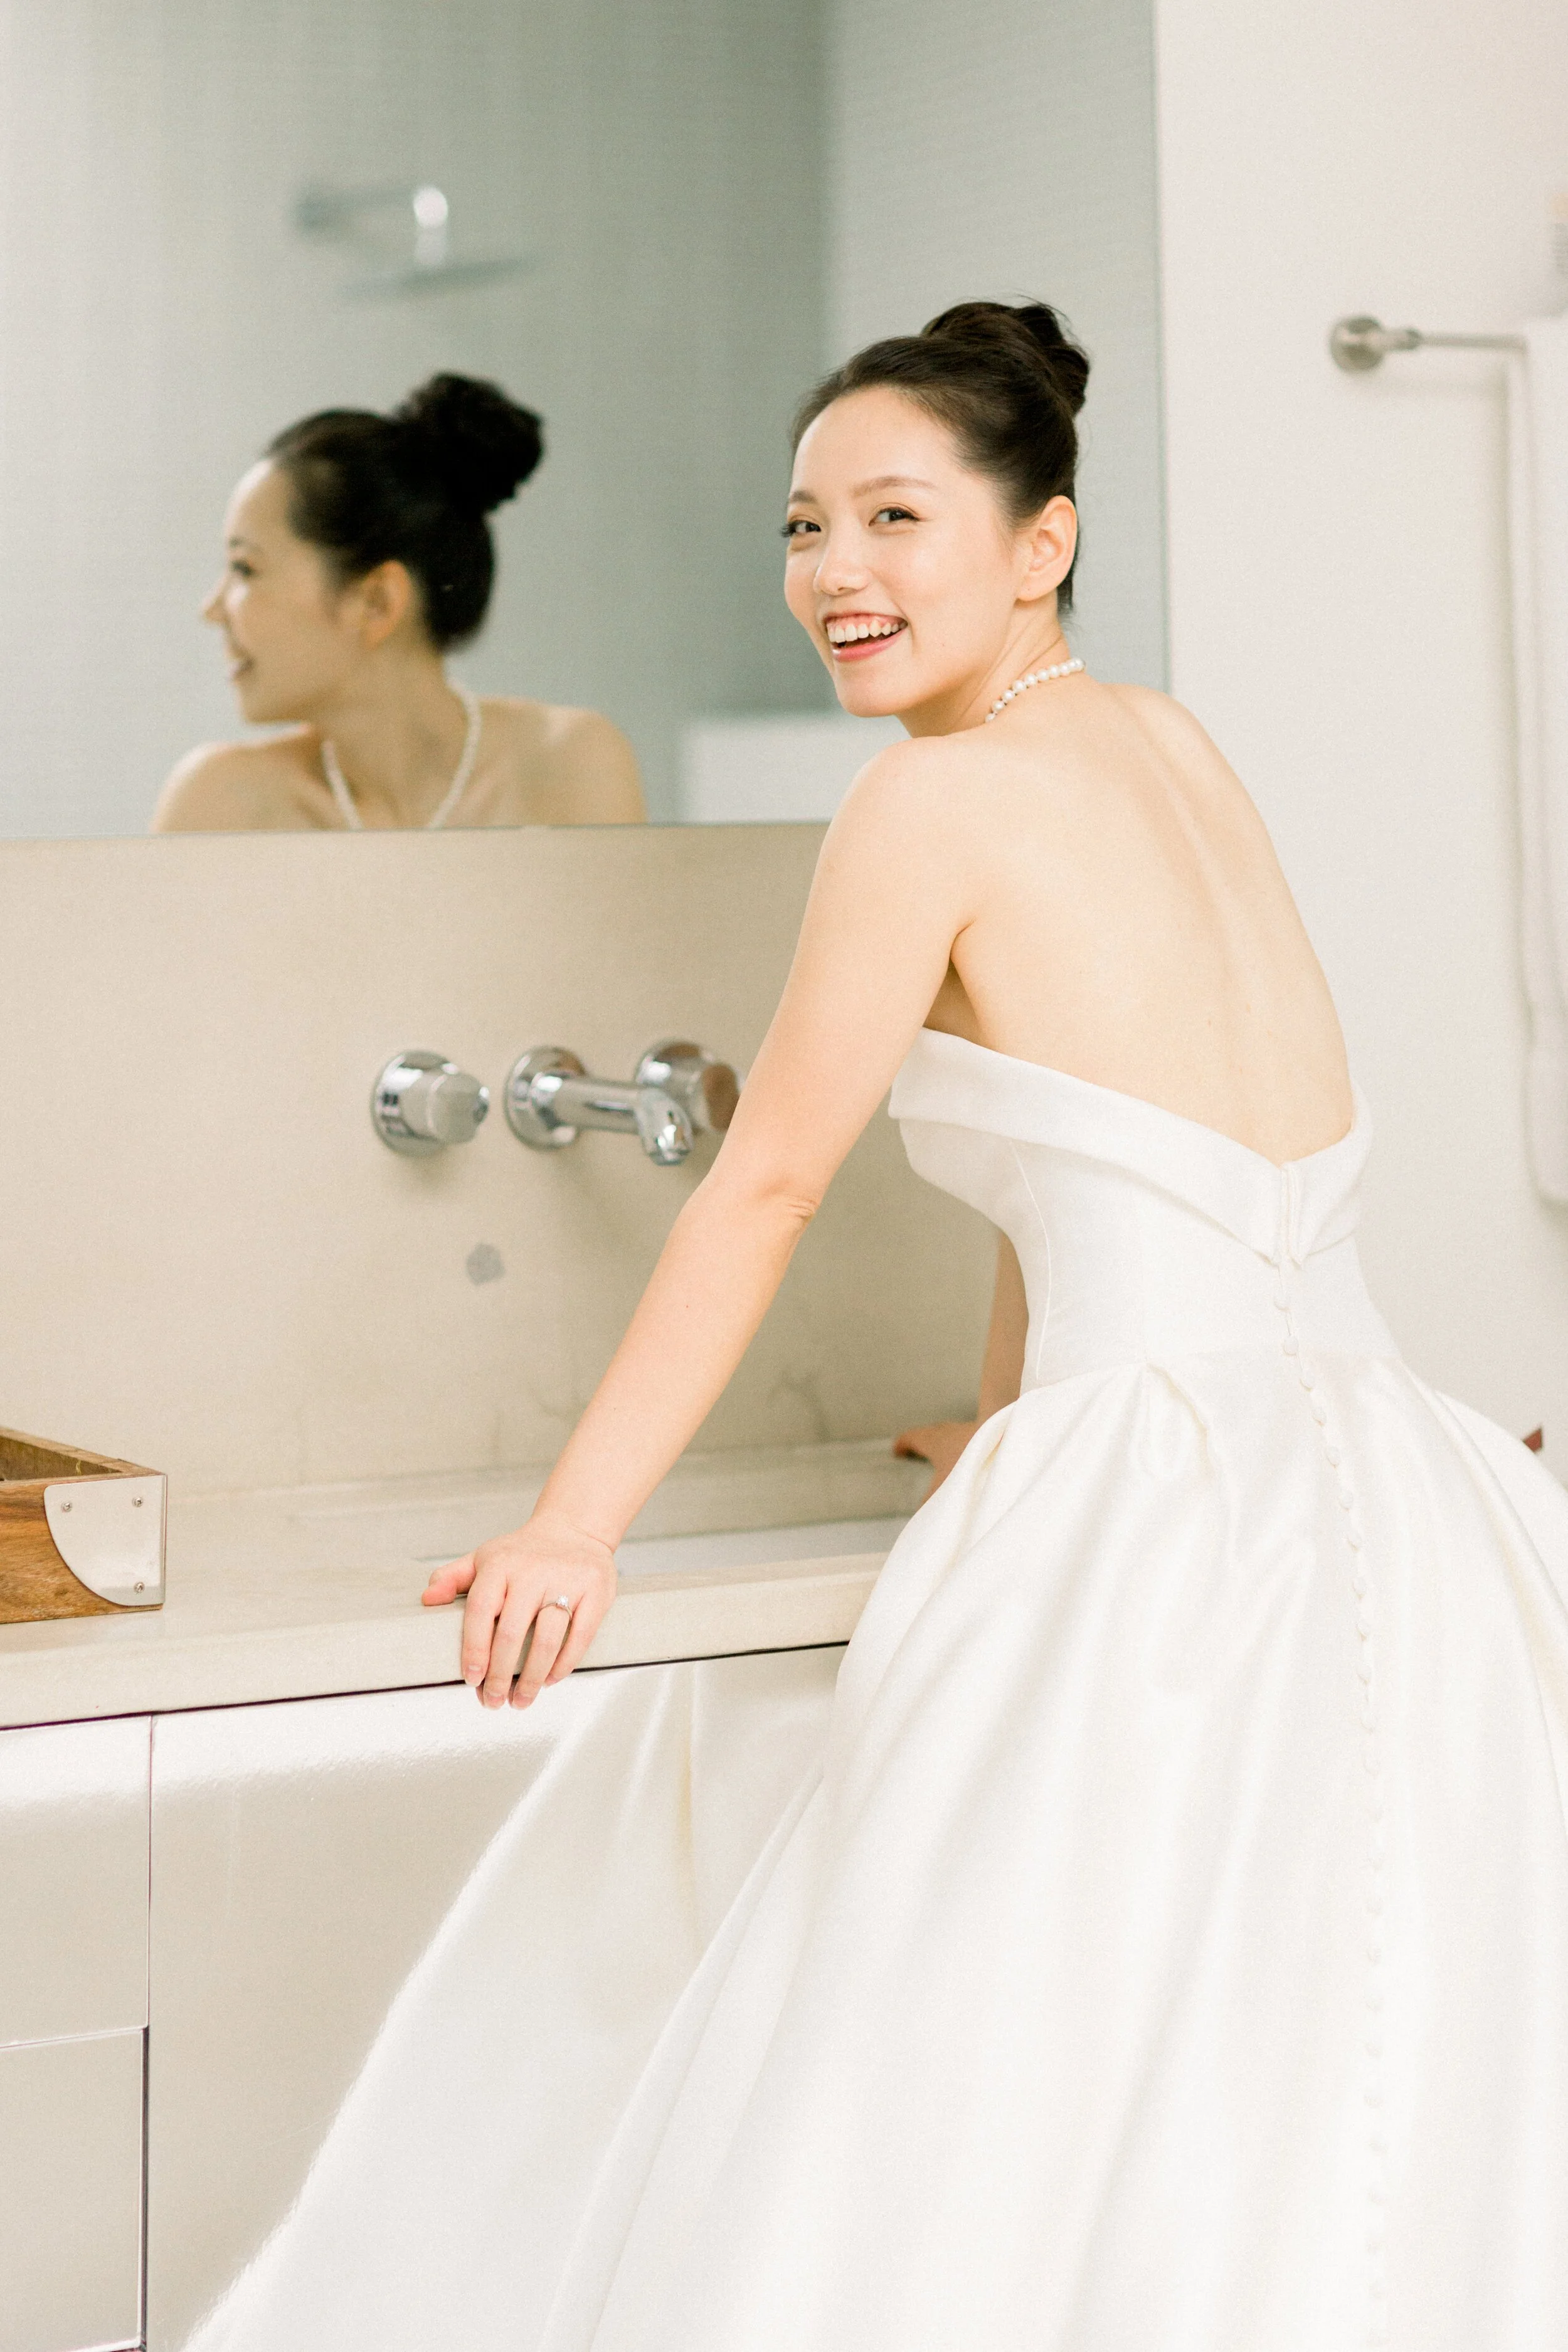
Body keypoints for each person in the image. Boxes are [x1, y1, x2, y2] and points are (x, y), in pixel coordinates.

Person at [415, 300, 1568, 2349]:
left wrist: (574, 1528)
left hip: (1177, 1543)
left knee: (996, 2107)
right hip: (1404, 1480)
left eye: (895, 516)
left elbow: (765, 1185)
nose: (835, 573)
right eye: (802, 527)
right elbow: (1117, 1146)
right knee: (1339, 2089)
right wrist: (1007, 1403)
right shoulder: (1175, 740)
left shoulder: (923, 809)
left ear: (1039, 541)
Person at [154, 374, 644, 832]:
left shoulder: (572, 765)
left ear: (377, 602)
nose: (213, 609)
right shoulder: (219, 804)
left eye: (245, 569)